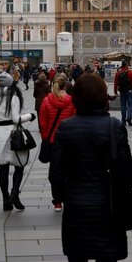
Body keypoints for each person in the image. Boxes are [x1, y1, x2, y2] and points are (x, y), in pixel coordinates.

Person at [50, 73, 132, 262]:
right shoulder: (114, 126)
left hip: (77, 208)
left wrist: (66, 196)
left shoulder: (66, 127)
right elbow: (127, 170)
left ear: (76, 97)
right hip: (109, 208)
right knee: (106, 261)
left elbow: (56, 173)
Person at [0, 71, 36, 211]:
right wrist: (30, 116)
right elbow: (16, 119)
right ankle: (14, 194)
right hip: (12, 133)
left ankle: (5, 200)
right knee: (19, 165)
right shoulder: (13, 96)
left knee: (3, 168)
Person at [39, 74, 76, 211]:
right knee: (69, 170)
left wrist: (46, 137)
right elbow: (75, 120)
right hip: (69, 142)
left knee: (55, 172)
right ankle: (67, 198)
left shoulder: (46, 101)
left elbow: (42, 123)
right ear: (66, 86)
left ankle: (57, 201)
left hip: (53, 141)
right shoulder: (72, 101)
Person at [113, 61, 132, 127]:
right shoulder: (130, 73)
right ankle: (129, 118)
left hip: (122, 92)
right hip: (130, 92)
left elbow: (115, 84)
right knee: (130, 106)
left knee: (123, 106)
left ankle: (123, 120)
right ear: (126, 66)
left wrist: (115, 92)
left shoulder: (118, 73)